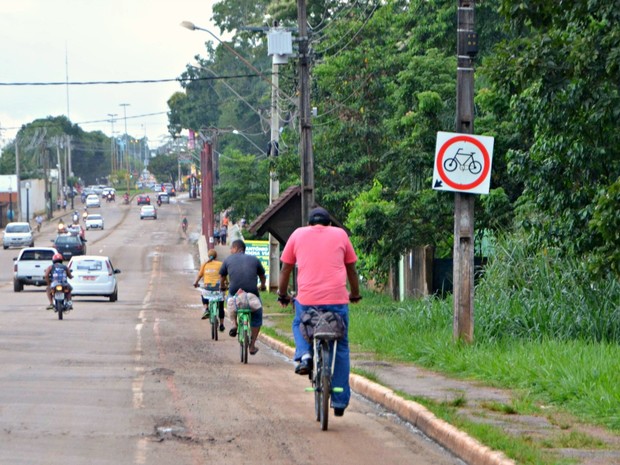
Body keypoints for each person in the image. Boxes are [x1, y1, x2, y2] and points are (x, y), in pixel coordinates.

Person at [277, 206, 362, 418]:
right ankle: (340, 400)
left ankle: (305, 355)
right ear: (329, 224)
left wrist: (282, 294)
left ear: (309, 224)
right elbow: (351, 269)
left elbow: (286, 268)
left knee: (299, 324)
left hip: (307, 302)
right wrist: (355, 293)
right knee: (341, 345)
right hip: (337, 302)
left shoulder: (298, 234)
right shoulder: (340, 234)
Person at [219, 240, 267, 355]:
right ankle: (252, 345)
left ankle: (234, 324)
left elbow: (222, 276)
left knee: (230, 303)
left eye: (231, 248)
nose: (231, 250)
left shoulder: (228, 259)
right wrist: (263, 286)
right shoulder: (254, 259)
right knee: (257, 315)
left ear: (235, 248)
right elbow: (262, 276)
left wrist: (222, 286)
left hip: (235, 293)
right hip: (252, 294)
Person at [193, 249, 225, 331]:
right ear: (216, 256)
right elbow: (224, 276)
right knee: (221, 305)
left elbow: (200, 276)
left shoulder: (204, 264)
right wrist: (226, 284)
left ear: (208, 256)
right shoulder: (221, 264)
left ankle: (206, 309)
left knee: (203, 295)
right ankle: (221, 324)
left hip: (208, 288)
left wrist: (196, 283)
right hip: (218, 288)